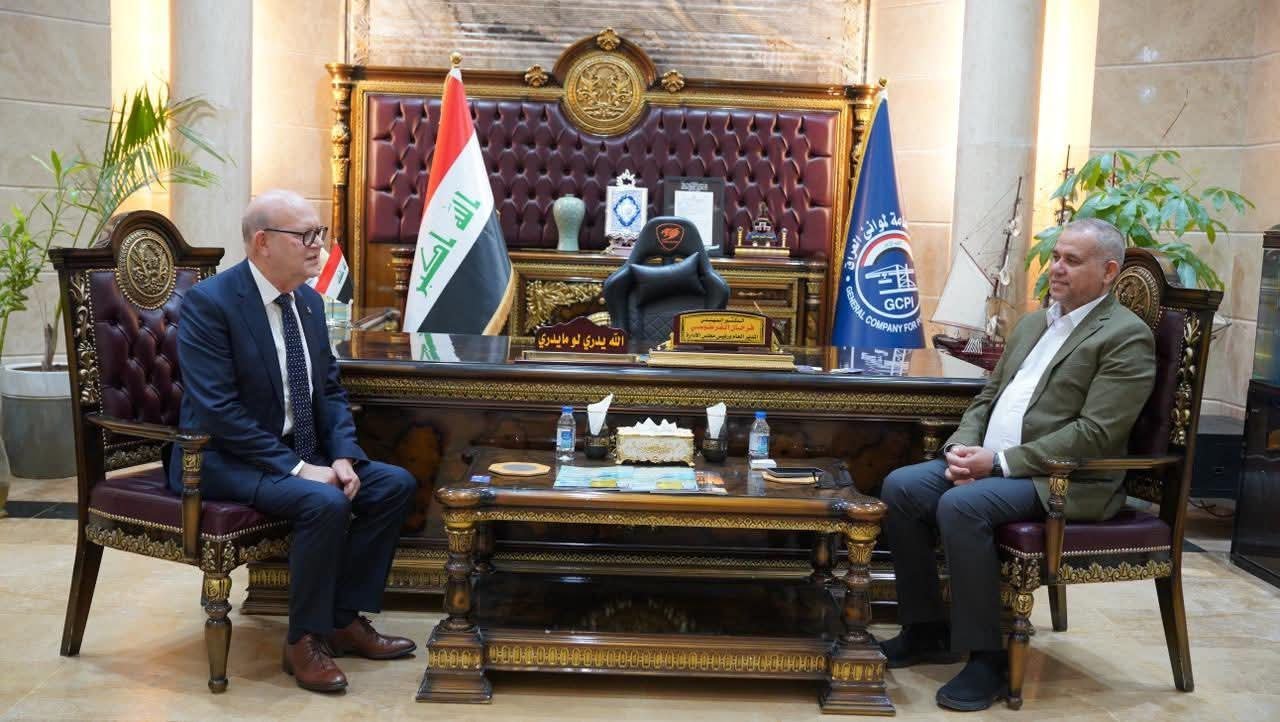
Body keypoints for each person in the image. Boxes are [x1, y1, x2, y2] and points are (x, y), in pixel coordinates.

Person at [878, 218, 1155, 711]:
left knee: (962, 506)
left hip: (1065, 480)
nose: (1057, 268)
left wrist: (999, 462)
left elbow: (1095, 433)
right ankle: (926, 629)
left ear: (1109, 271)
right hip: (995, 464)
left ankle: (988, 659)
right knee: (902, 486)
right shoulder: (1033, 323)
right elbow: (987, 397)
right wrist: (962, 448)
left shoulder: (1125, 336)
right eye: (1056, 257)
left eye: (1072, 260)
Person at [169, 189, 419, 693]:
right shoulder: (210, 303)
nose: (317, 245)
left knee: (393, 485)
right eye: (305, 235)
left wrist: (343, 455)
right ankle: (303, 639)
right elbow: (218, 412)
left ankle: (342, 619)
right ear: (262, 242)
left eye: (318, 234)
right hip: (219, 458)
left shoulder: (307, 300)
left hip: (296, 452)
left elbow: (329, 389)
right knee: (325, 501)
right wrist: (301, 469)